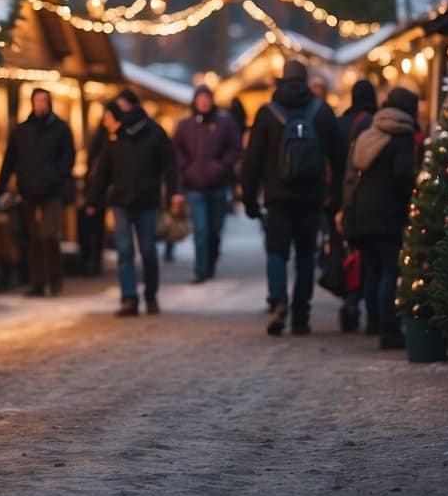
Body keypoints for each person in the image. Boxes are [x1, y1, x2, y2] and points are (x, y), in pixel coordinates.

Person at [240, 60, 339, 336]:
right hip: (311, 197)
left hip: (277, 197)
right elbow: (339, 155)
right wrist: (336, 196)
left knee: (276, 252)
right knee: (306, 255)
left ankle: (278, 300)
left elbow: (252, 160)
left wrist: (249, 196)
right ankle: (301, 315)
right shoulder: (321, 111)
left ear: (282, 80)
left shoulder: (267, 113)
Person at [87, 89, 180, 316]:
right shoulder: (114, 137)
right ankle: (129, 298)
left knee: (148, 251)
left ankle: (150, 295)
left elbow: (170, 165)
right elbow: (103, 172)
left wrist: (174, 193)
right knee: (124, 251)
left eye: (121, 106)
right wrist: (93, 199)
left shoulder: (155, 133)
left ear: (130, 107)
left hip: (147, 201)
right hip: (120, 201)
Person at [340, 87, 419, 350]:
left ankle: (373, 321)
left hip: (362, 211)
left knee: (371, 269)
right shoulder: (402, 137)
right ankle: (389, 329)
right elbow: (402, 176)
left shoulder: (368, 133)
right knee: (389, 269)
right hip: (387, 213)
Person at [0, 88, 75, 297]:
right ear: (32, 103)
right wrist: (1, 187)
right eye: (37, 101)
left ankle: (55, 278)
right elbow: (10, 160)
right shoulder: (22, 131)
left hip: (52, 191)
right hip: (28, 190)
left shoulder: (60, 129)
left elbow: (68, 158)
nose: (41, 105)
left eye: (44, 101)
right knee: (33, 238)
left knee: (50, 234)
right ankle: (37, 282)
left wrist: (57, 176)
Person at [173, 84, 243, 284]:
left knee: (214, 229)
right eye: (200, 99)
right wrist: (186, 167)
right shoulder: (185, 125)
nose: (203, 103)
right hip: (194, 186)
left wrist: (221, 166)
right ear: (195, 101)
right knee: (201, 229)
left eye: (207, 99)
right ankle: (201, 270)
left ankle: (211, 260)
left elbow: (236, 148)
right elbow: (176, 149)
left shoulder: (225, 123)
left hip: (218, 185)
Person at [333, 79, 378, 333]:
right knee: (370, 260)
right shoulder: (376, 125)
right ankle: (371, 315)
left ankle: (350, 301)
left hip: (342, 199)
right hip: (368, 201)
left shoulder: (340, 124)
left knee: (348, 254)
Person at [78, 107, 116, 276]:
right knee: (90, 225)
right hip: (96, 188)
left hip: (108, 189)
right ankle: (90, 259)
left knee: (98, 225)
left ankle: (95, 259)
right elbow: (92, 165)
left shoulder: (115, 138)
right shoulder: (100, 137)